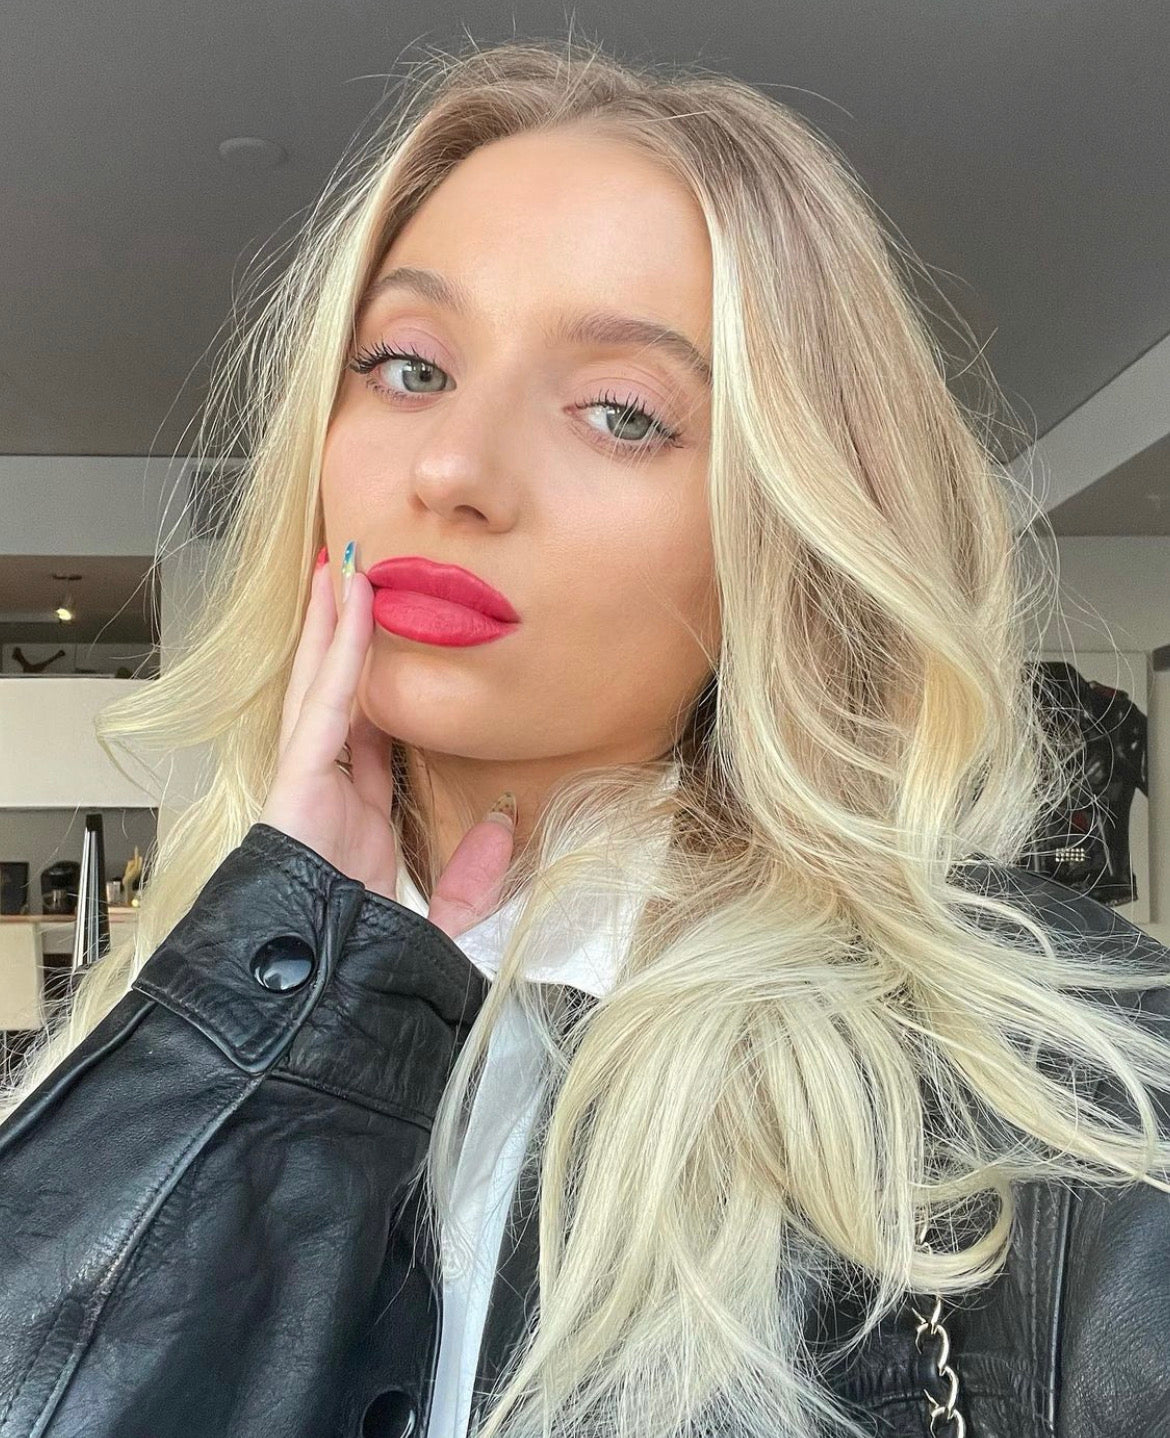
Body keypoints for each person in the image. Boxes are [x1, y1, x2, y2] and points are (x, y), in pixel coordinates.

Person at [2, 34, 1170, 1438]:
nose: (454, 467)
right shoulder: (172, 1004)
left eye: (622, 414)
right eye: (409, 367)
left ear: (789, 532)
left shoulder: (1077, 1095)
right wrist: (274, 1016)